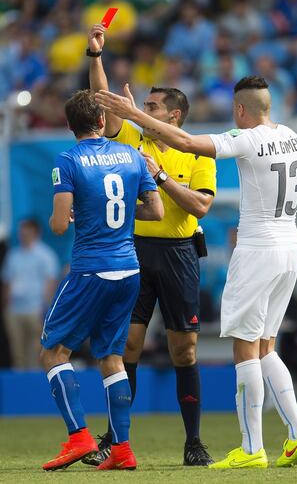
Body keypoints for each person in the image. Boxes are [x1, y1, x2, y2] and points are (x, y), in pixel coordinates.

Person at [95, 75, 297, 469]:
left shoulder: (247, 138)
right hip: (290, 246)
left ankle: (252, 449)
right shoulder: (292, 137)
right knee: (267, 346)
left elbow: (185, 142)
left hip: (258, 248)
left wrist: (132, 112)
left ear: (240, 110)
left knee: (245, 349)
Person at [86, 24, 216, 467]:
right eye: (143, 105)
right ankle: (115, 440)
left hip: (179, 256)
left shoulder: (196, 152)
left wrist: (158, 175)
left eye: (153, 106)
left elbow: (200, 208)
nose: (144, 109)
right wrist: (94, 55)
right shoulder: (133, 137)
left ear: (174, 115)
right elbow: (103, 101)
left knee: (186, 350)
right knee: (129, 348)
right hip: (135, 252)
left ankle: (193, 442)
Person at [39, 89, 163, 471]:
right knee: (111, 357)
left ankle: (79, 437)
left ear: (69, 124)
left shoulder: (68, 160)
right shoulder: (131, 155)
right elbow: (155, 211)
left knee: (53, 351)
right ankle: (122, 449)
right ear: (101, 121)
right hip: (129, 269)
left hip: (92, 268)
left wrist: (72, 213)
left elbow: (60, 226)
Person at [1, 218, 59, 369]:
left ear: (36, 232)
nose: (23, 234)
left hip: (35, 309)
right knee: (17, 352)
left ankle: (34, 387)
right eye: (22, 231)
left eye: (27, 231)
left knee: (35, 351)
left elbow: (50, 283)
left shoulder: (45, 255)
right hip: (15, 310)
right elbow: (7, 282)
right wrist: (6, 307)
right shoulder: (14, 255)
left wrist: (46, 308)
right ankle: (19, 387)